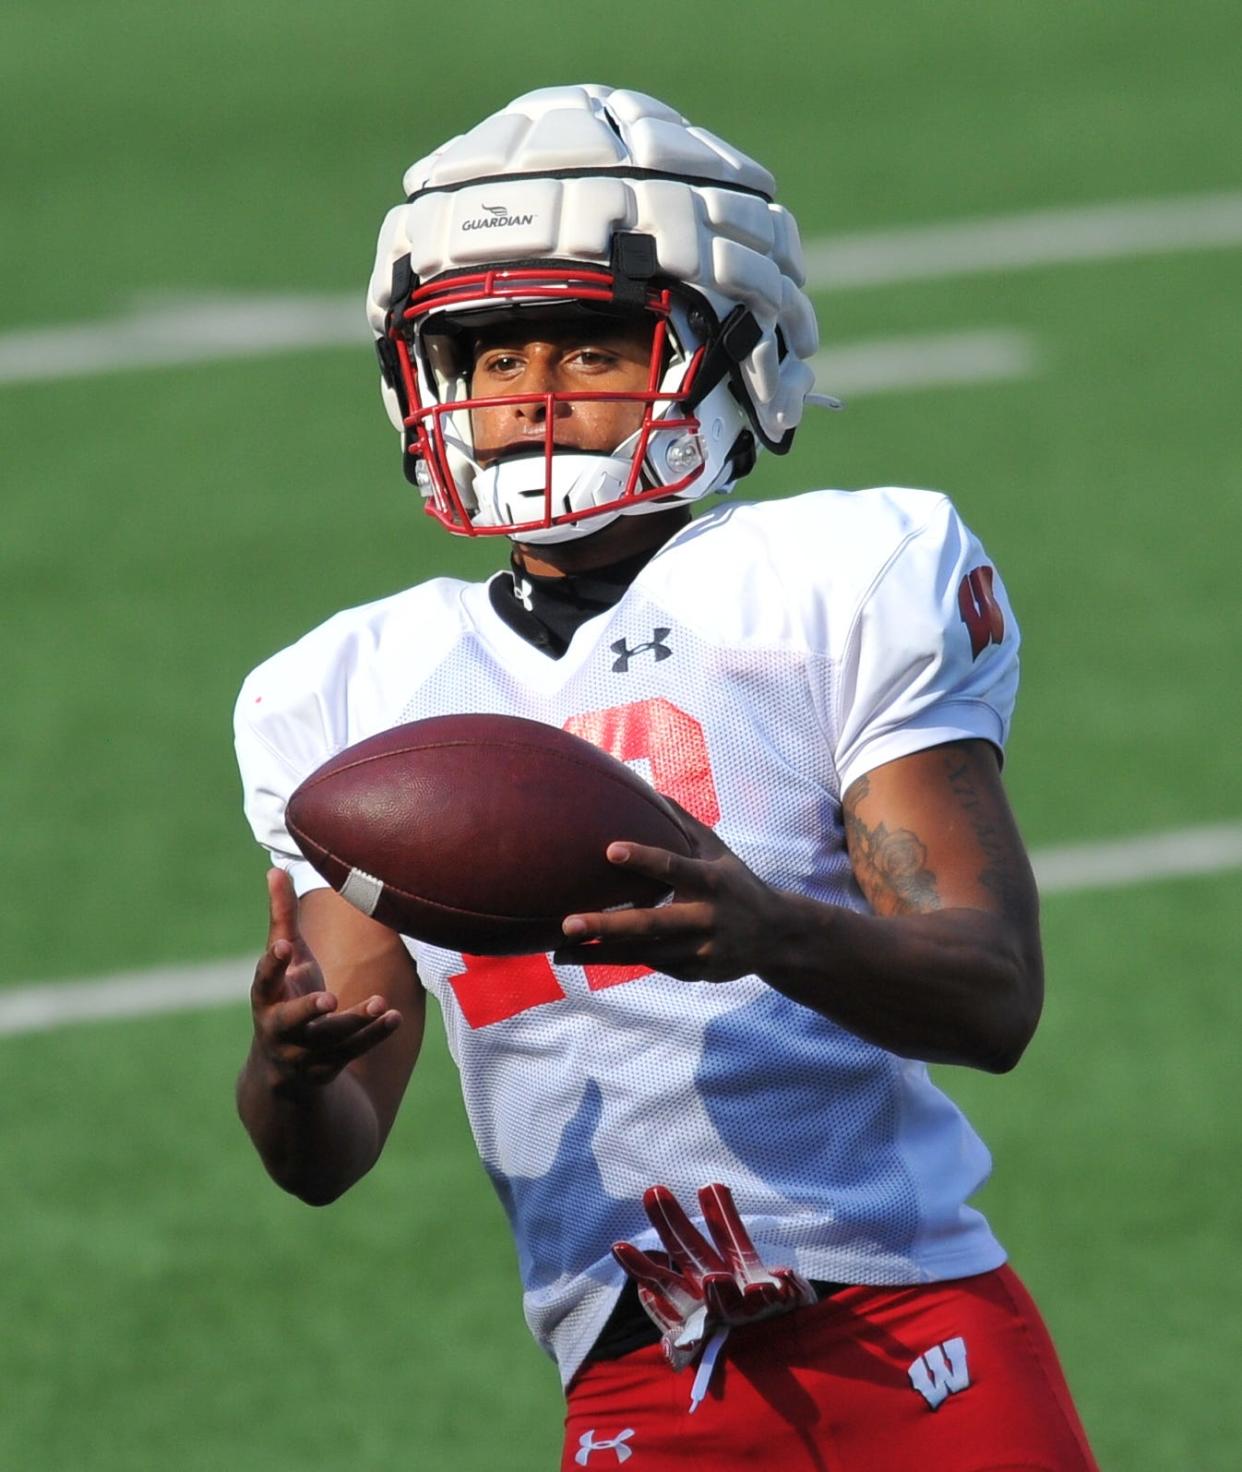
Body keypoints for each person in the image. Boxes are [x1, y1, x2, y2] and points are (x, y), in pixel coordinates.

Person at [234, 84, 1098, 1470]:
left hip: (902, 1322)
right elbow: (327, 1152)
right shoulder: (342, 694)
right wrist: (285, 1073)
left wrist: (769, 932)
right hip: (634, 1375)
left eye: (586, 349)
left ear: (730, 351)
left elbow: (988, 995)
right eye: (487, 355)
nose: (527, 396)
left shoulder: (832, 581)